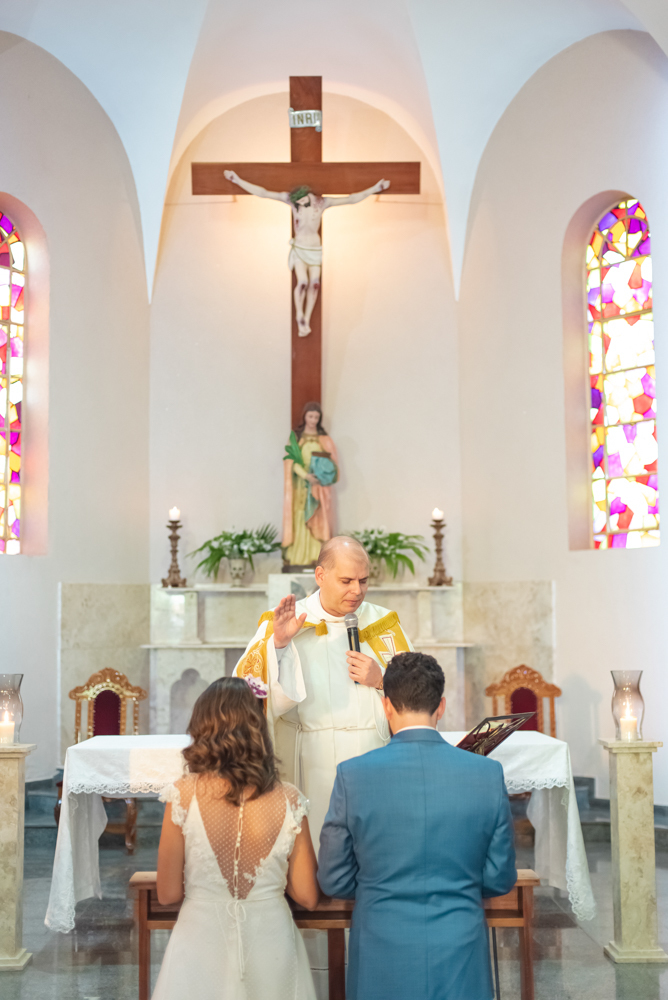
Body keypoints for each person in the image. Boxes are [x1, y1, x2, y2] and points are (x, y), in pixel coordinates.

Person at [318, 651, 517, 1000]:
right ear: (440, 707)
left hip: (381, 940)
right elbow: (499, 876)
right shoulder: (486, 773)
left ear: (386, 706)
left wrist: (377, 889)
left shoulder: (353, 775)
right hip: (460, 941)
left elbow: (333, 877)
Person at [234, 535, 413, 842]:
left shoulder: (382, 623)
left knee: (372, 849)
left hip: (373, 757)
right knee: (316, 851)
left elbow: (419, 694)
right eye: (346, 581)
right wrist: (278, 645)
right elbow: (246, 694)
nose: (357, 591)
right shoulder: (284, 623)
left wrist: (381, 679)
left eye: (363, 581)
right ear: (320, 575)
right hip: (310, 763)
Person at [152, 677, 319, 1000]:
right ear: (258, 729)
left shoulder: (183, 795)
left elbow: (168, 892)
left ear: (202, 728)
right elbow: (308, 896)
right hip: (271, 944)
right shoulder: (290, 800)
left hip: (200, 945)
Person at [223, 170, 390, 334]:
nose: (300, 205)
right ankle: (300, 316)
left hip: (315, 249)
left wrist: (375, 188)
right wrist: (237, 180)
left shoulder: (322, 202)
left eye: (302, 202)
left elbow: (352, 199)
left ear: (306, 197)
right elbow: (263, 193)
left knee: (315, 284)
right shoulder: (291, 200)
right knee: (302, 282)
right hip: (300, 248)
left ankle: (307, 318)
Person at [283, 401, 338, 568]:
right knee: (301, 516)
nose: (313, 420)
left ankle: (317, 557)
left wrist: (321, 476)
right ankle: (299, 557)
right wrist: (305, 475)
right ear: (305, 416)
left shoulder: (325, 439)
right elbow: (290, 461)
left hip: (318, 488)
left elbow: (332, 464)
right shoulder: (297, 438)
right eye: (310, 416)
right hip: (301, 485)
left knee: (318, 516)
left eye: (316, 417)